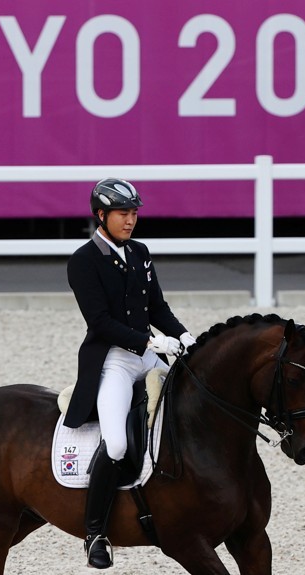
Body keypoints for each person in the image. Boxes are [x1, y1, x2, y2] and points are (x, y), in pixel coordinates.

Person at [63, 177, 196, 569]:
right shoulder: (83, 261)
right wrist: (151, 344)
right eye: (123, 213)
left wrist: (183, 335)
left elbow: (157, 307)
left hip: (148, 355)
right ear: (101, 215)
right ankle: (95, 533)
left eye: (134, 213)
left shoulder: (140, 252)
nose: (131, 220)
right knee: (117, 444)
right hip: (114, 361)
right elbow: (100, 322)